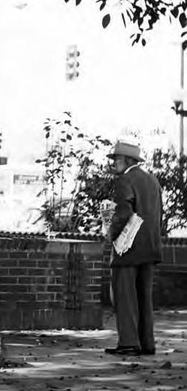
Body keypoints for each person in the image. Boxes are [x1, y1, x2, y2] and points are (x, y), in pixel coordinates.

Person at [105, 141, 162, 356]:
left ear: (128, 161)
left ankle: (129, 342)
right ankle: (147, 343)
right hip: (150, 247)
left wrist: (111, 234)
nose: (114, 164)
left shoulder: (125, 180)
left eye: (117, 160)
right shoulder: (152, 180)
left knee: (125, 296)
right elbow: (158, 215)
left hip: (128, 249)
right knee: (144, 298)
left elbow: (123, 213)